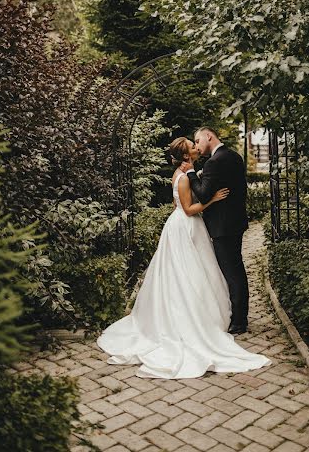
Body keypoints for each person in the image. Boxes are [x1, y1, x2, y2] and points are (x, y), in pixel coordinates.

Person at [97, 136, 271, 379]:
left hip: (182, 224)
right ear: (186, 155)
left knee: (193, 270)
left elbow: (176, 204)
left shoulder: (182, 173)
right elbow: (188, 209)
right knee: (188, 272)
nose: (196, 147)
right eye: (192, 146)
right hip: (187, 224)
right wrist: (212, 199)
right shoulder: (183, 177)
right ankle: (194, 317)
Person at [180, 126, 250, 335]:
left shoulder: (214, 162)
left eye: (198, 141)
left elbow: (202, 194)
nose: (198, 146)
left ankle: (238, 322)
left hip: (222, 226)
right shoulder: (234, 156)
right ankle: (239, 316)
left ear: (208, 136)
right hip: (235, 222)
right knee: (236, 269)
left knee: (232, 272)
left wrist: (192, 174)